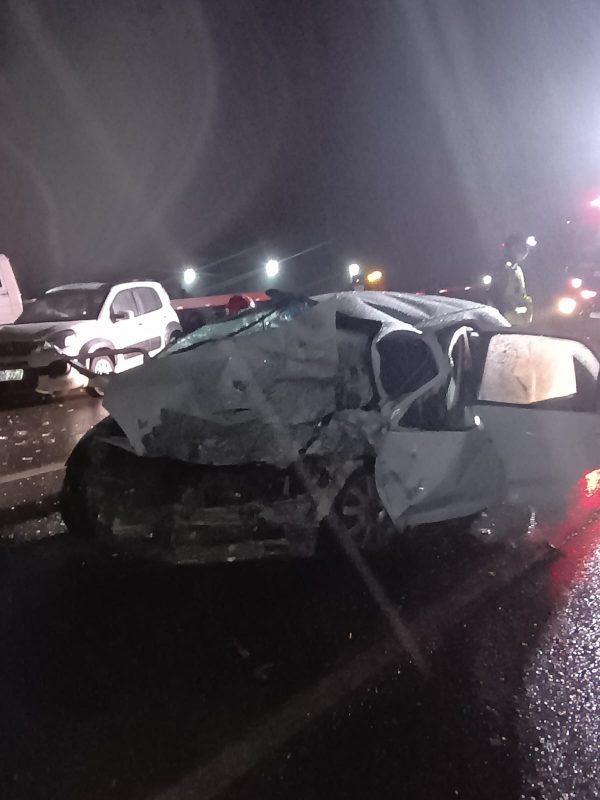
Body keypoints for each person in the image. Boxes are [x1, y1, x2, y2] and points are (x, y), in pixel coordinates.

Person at [489, 233, 533, 325]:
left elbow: (520, 293)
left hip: (518, 321)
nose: (524, 251)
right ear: (511, 248)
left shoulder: (517, 269)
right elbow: (496, 295)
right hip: (504, 321)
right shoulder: (502, 268)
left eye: (525, 248)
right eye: (520, 247)